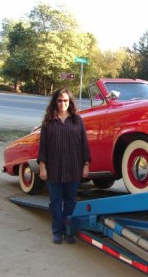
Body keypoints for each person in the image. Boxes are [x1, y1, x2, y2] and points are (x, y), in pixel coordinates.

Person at [37, 88, 91, 244]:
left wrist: (86, 164)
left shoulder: (77, 120)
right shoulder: (48, 121)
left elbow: (84, 145)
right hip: (53, 169)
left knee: (70, 202)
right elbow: (43, 146)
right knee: (55, 202)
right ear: (55, 102)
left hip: (73, 168)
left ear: (70, 102)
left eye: (66, 100)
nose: (63, 103)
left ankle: (69, 232)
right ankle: (57, 231)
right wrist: (42, 166)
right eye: (60, 100)